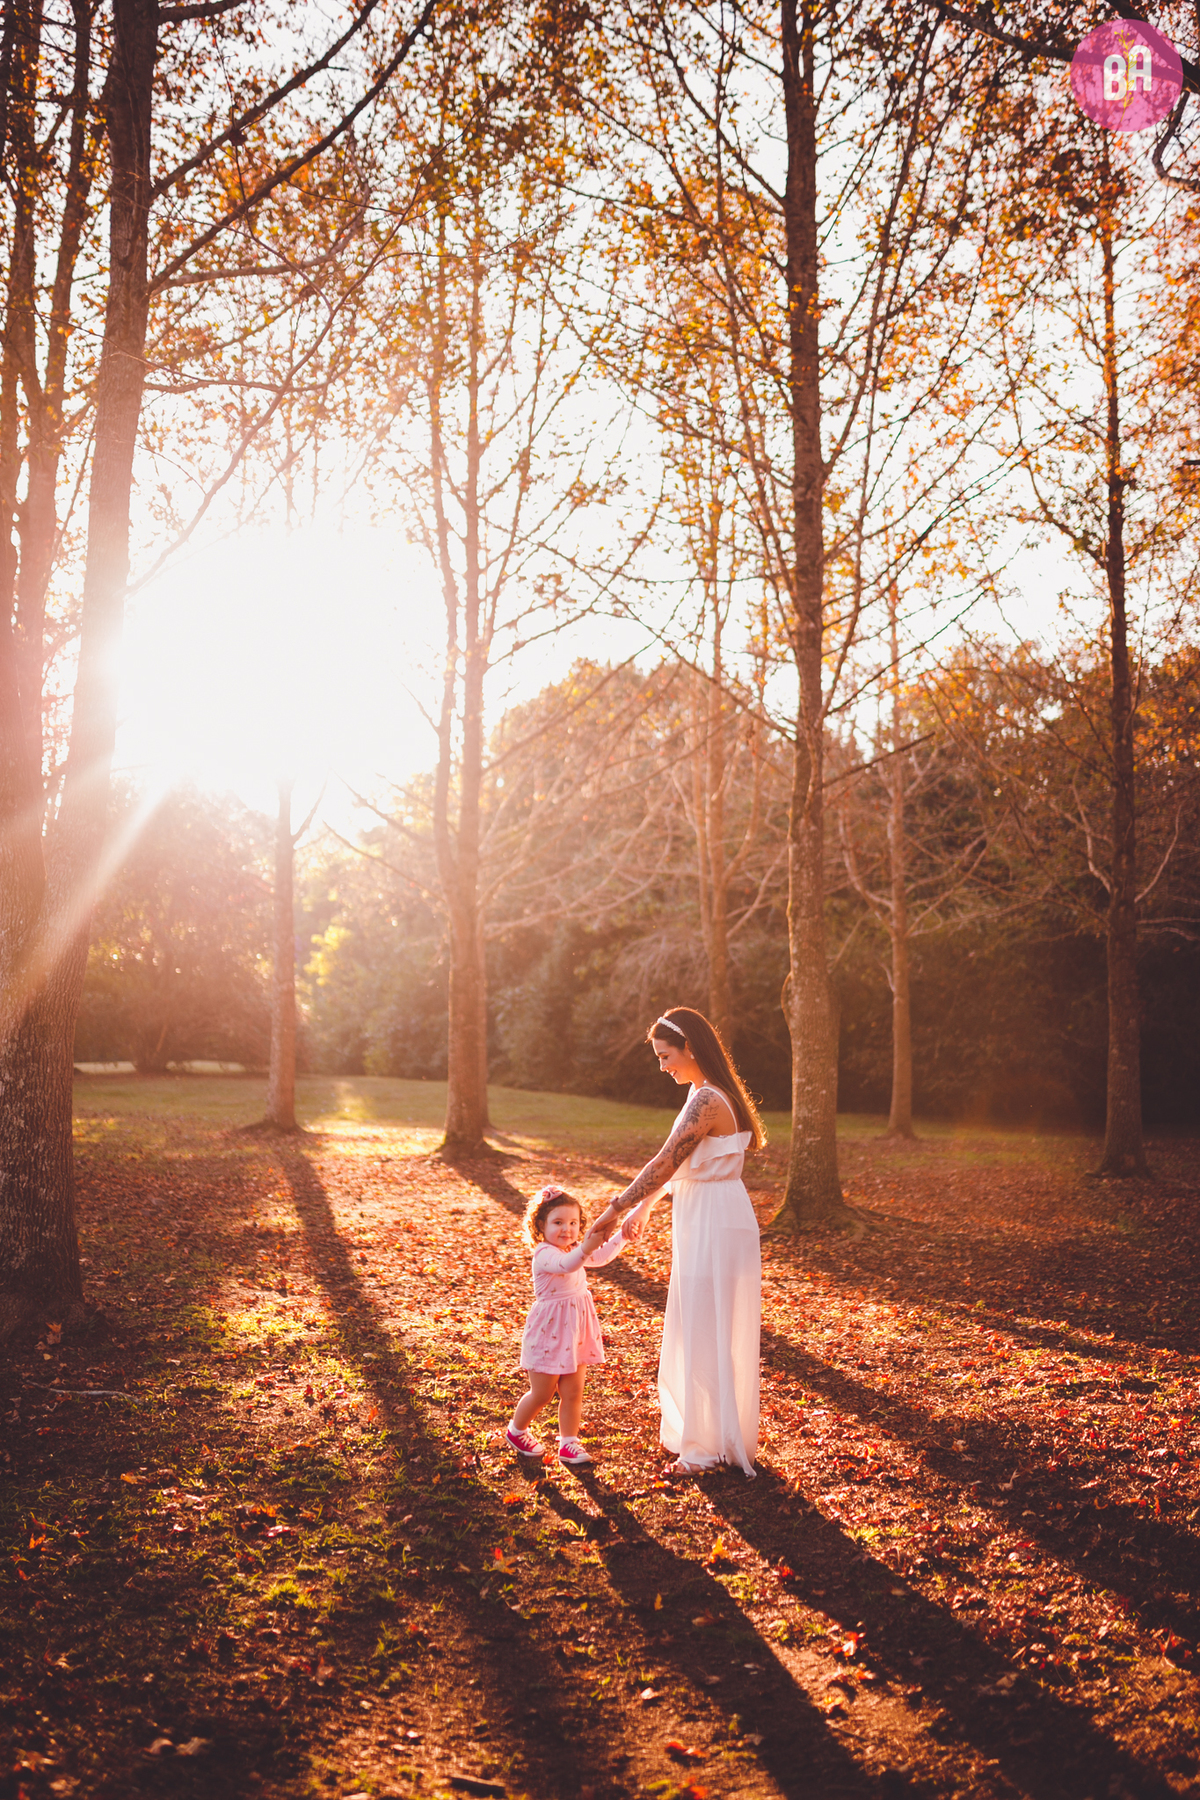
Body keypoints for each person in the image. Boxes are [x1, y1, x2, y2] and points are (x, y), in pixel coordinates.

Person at [590, 1006, 765, 1478]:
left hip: (715, 1219)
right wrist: (645, 1208)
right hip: (707, 1212)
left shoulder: (708, 1099)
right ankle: (706, 1433)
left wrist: (614, 1209)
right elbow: (686, 1164)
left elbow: (666, 1161)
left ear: (690, 1047)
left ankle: (706, 1447)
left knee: (706, 1325)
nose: (662, 1066)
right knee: (699, 1320)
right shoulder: (702, 1093)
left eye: (666, 1055)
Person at [506, 1184, 634, 1468]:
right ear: (542, 1225)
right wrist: (587, 1245)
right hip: (549, 1330)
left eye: (574, 1223)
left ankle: (568, 1443)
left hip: (576, 1328)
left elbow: (598, 1257)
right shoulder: (545, 1253)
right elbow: (567, 1265)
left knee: (573, 1391)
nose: (567, 1229)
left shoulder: (575, 1247)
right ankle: (516, 1431)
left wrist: (622, 1235)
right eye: (559, 1222)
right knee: (543, 1393)